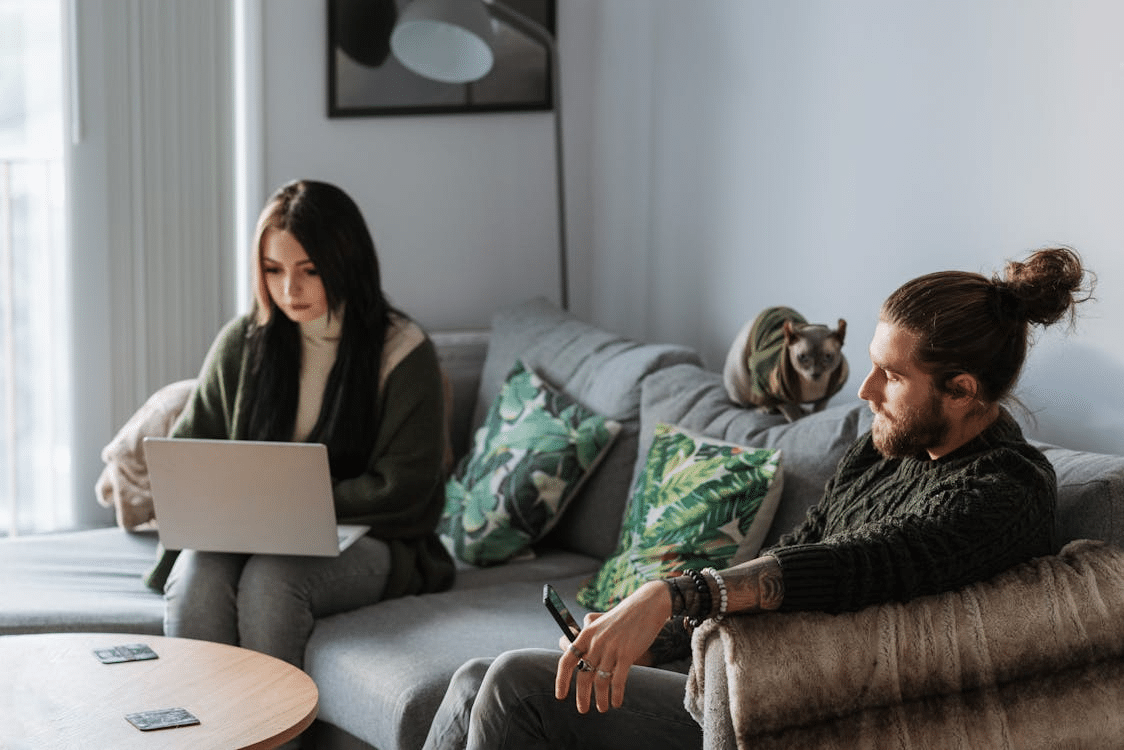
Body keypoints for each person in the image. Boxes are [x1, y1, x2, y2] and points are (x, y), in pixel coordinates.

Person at [422, 246, 1093, 750]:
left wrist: (671, 595)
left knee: (516, 684)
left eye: (891, 376)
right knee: (474, 677)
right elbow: (799, 549)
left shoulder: (1006, 490)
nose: (862, 392)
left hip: (795, 710)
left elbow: (860, 565)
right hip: (734, 668)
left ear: (962, 390)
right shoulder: (891, 449)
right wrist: (664, 638)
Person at [143, 179, 454, 670]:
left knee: (271, 582)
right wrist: (240, 506)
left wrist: (299, 502)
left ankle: (276, 743)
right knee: (195, 578)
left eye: (310, 270)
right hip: (247, 530)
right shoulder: (243, 343)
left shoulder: (403, 352)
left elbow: (408, 488)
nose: (289, 290)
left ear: (347, 264)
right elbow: (190, 452)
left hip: (371, 537)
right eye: (273, 270)